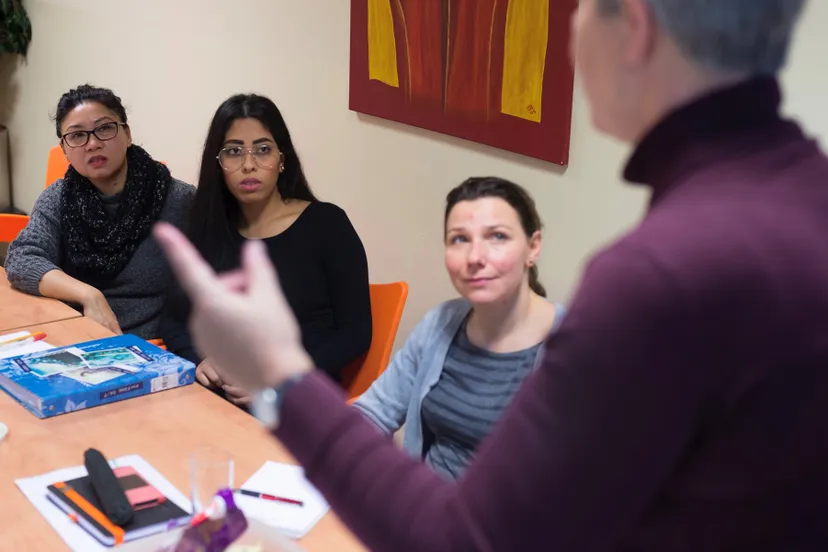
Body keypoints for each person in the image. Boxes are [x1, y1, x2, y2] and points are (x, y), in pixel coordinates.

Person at [154, 0, 828, 550]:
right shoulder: (801, 200)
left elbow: (467, 538)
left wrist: (279, 377)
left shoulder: (657, 277)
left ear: (636, 28)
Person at [160, 94, 371, 407]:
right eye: (233, 152)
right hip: (221, 398)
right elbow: (175, 318)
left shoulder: (326, 224)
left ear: (281, 159)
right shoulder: (211, 228)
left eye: (262, 150)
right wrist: (200, 360)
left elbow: (355, 332)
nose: (248, 165)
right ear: (217, 164)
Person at [353, 176, 565, 479]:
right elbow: (372, 412)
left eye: (497, 237)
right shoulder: (440, 323)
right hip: (423, 509)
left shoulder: (575, 348)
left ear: (533, 247)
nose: (475, 258)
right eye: (460, 239)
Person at [4, 85, 194, 339]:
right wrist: (89, 294)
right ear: (65, 150)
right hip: (75, 337)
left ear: (127, 134)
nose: (92, 144)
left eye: (104, 128)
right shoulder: (59, 197)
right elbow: (22, 259)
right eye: (77, 135)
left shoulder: (177, 199)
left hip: (152, 346)